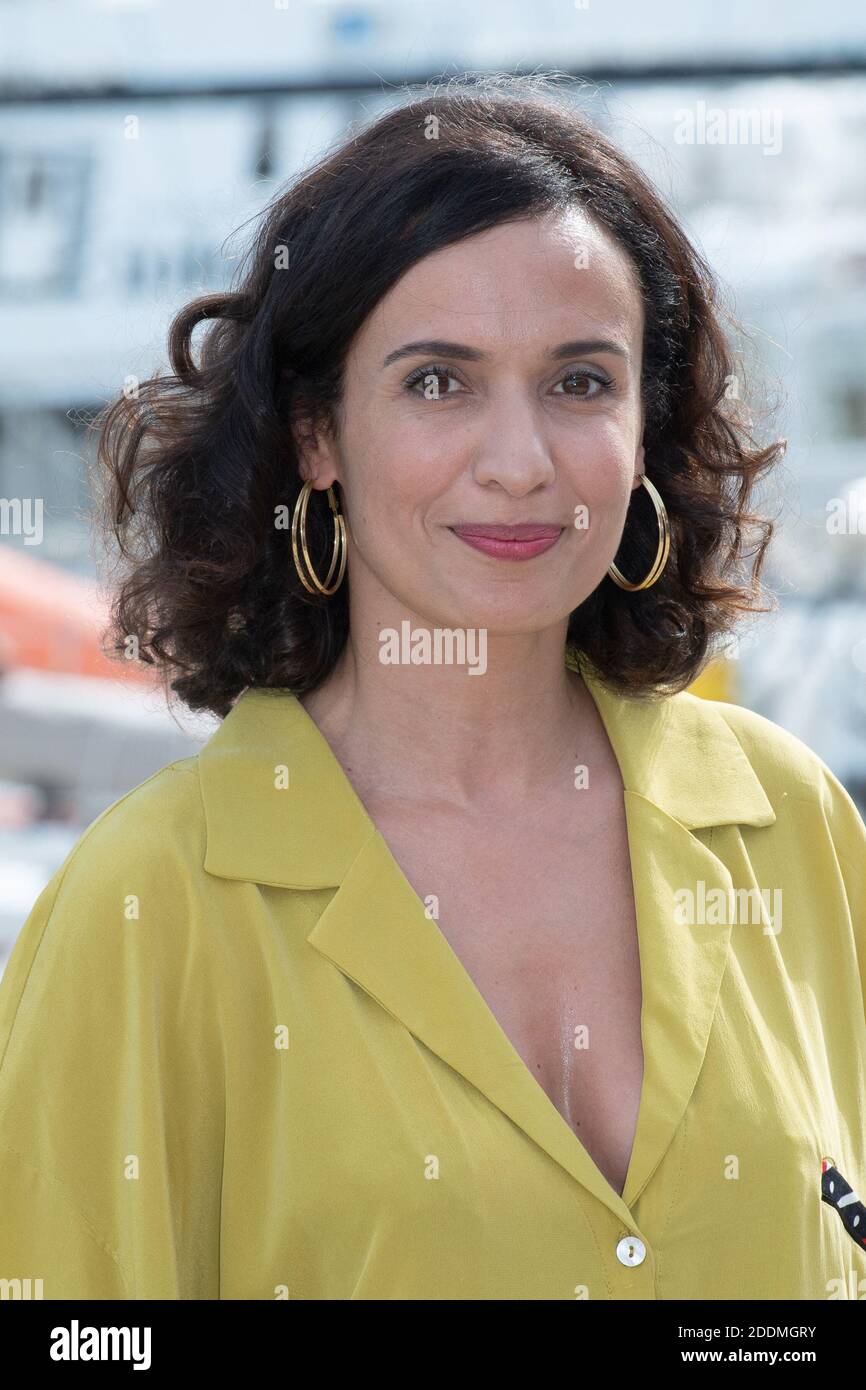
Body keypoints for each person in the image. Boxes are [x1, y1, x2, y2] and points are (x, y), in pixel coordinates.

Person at [1, 74, 864, 1302]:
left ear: (642, 418)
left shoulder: (792, 827)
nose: (517, 464)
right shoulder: (152, 908)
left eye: (578, 382)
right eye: (435, 382)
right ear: (314, 434)